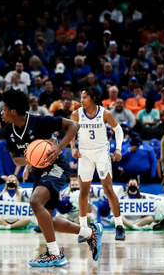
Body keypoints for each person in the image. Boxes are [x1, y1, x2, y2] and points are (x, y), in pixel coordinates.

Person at [1, 89, 102, 267]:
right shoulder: (8, 131)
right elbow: (15, 158)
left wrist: (59, 147)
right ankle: (89, 232)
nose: (1, 113)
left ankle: (55, 254)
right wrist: (30, 160)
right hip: (40, 172)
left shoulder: (39, 121)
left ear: (14, 111)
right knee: (46, 221)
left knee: (35, 202)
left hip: (56, 166)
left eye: (3, 109)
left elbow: (74, 126)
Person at [69, 87, 126, 241]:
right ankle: (83, 229)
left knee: (108, 189)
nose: (81, 100)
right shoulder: (76, 114)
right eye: (81, 97)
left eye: (84, 97)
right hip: (84, 154)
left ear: (93, 98)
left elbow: (118, 131)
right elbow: (70, 133)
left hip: (102, 152)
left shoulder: (104, 113)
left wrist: (118, 149)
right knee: (83, 191)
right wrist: (73, 148)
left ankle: (119, 226)